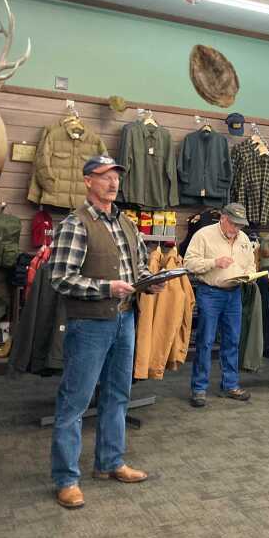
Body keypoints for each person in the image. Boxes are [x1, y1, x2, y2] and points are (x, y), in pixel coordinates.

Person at [49, 155, 164, 510]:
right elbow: (60, 278)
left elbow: (139, 265)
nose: (113, 183)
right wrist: (105, 288)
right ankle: (66, 479)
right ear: (87, 181)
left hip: (124, 321)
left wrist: (149, 282)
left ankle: (110, 462)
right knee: (74, 403)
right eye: (104, 176)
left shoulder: (127, 223)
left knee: (118, 395)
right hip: (89, 325)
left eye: (116, 176)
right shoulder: (75, 223)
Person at [183, 202, 256, 408]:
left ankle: (230, 384)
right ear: (223, 218)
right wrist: (214, 262)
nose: (237, 229)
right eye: (234, 224)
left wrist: (250, 274)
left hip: (235, 293)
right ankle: (199, 388)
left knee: (232, 340)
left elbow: (250, 263)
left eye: (240, 225)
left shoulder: (243, 239)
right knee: (205, 341)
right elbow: (188, 263)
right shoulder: (204, 235)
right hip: (210, 293)